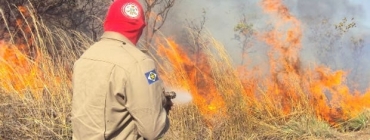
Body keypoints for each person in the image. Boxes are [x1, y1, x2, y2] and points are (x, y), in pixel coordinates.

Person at [71, 0, 171, 139]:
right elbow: (153, 130)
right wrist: (163, 106)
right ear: (140, 28)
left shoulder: (85, 57)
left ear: (107, 23)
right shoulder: (143, 65)